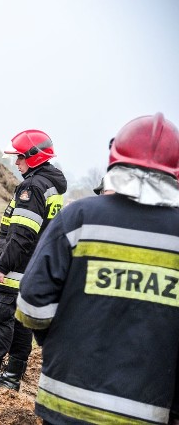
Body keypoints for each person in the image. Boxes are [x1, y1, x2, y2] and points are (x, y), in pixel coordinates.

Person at [15, 112, 179, 424]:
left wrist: (62, 343)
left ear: (115, 159)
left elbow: (31, 309)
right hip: (146, 412)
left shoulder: (78, 218)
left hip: (65, 403)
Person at [0, 129, 67, 391]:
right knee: (20, 325)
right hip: (33, 270)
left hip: (15, 269)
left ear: (33, 157)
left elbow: (22, 234)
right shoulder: (52, 186)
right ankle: (11, 378)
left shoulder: (32, 187)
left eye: (19, 158)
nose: (16, 163)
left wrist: (3, 265)